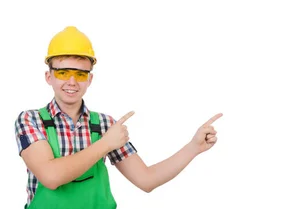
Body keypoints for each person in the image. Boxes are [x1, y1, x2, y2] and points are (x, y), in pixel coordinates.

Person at [13, 26, 222, 209]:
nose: (71, 81)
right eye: (63, 72)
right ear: (48, 76)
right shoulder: (30, 120)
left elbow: (146, 179)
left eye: (80, 74)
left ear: (90, 79)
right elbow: (51, 177)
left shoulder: (105, 124)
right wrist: (105, 144)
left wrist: (193, 147)